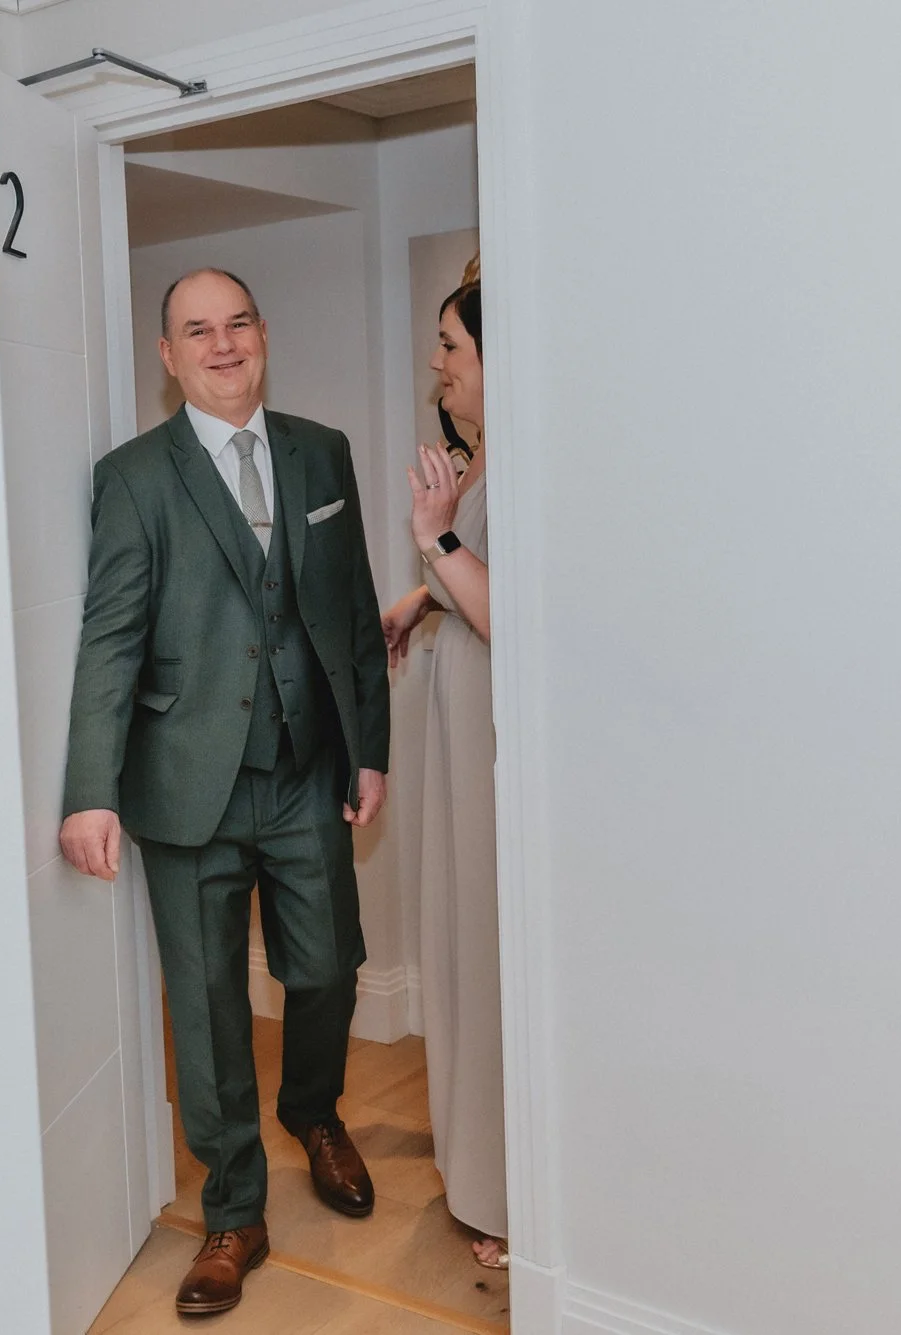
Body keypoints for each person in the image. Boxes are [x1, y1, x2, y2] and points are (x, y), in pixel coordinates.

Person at [58, 268, 392, 1316]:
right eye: (194, 331)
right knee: (203, 1009)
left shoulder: (319, 451)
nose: (220, 345)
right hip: (185, 784)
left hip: (305, 773)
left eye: (236, 323)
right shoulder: (133, 477)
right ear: (166, 357)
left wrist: (367, 749)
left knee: (328, 964)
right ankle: (233, 1212)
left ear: (262, 334)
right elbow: (108, 635)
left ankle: (314, 1109)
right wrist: (88, 789)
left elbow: (351, 611)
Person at [380, 279, 506, 1269]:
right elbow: (473, 579)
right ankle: (478, 1172)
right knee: (460, 931)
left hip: (499, 732)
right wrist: (421, 595)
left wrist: (435, 535)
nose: (438, 362)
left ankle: (512, 1194)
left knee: (491, 945)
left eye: (448, 342)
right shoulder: (483, 460)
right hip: (462, 709)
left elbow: (511, 610)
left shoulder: (536, 454)